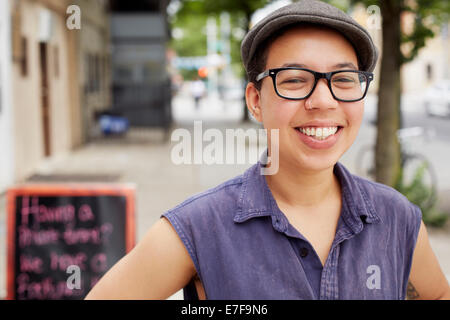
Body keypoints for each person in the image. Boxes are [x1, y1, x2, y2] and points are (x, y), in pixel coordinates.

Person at [85, 0, 450, 300]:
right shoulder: (199, 228)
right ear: (256, 101)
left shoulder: (397, 218)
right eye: (294, 80)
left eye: (343, 80)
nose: (323, 100)